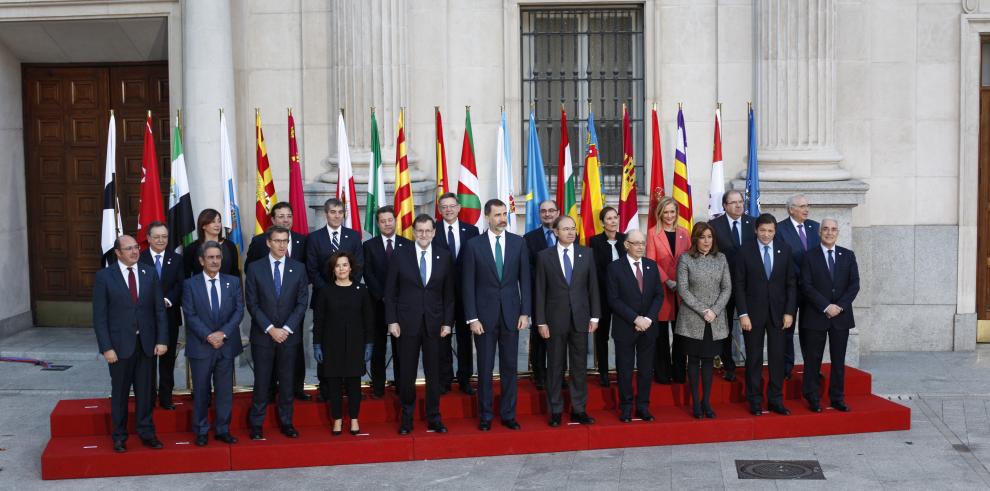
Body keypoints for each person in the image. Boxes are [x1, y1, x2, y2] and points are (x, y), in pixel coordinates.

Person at [91, 235, 168, 453]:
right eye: (128, 249)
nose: (135, 252)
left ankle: (146, 432)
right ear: (117, 252)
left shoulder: (149, 273)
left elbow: (158, 311)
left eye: (136, 247)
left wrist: (162, 340)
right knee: (120, 394)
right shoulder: (105, 277)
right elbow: (100, 317)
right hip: (119, 347)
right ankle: (119, 436)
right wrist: (106, 347)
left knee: (146, 393)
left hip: (146, 345)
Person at [462, 199, 532, 431]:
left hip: (512, 315)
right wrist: (472, 318)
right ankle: (485, 416)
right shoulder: (473, 246)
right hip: (483, 319)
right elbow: (467, 285)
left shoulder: (518, 243)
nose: (503, 218)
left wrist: (525, 312)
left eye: (505, 214)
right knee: (484, 368)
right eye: (498, 215)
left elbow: (526, 280)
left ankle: (509, 414)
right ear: (487, 217)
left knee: (510, 367)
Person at [386, 214, 455, 434]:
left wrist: (447, 322)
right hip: (406, 324)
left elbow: (449, 294)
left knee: (434, 373)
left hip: (435, 324)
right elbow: (390, 293)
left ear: (434, 232)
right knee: (406, 374)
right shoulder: (400, 255)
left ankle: (434, 417)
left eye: (428, 231)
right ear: (414, 232)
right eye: (420, 231)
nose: (424, 235)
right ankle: (407, 418)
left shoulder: (444, 256)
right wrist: (392, 321)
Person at [534, 215, 600, 426]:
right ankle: (555, 410)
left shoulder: (586, 254)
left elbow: (593, 288)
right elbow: (540, 291)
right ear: (555, 232)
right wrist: (541, 322)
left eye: (573, 228)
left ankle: (578, 409)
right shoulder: (544, 257)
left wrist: (595, 316)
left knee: (579, 366)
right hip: (554, 320)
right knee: (555, 366)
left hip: (580, 318)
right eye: (566, 229)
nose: (571, 232)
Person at [245, 226, 310, 440]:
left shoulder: (298, 268)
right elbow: (252, 304)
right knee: (262, 382)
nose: (282, 245)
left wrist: (287, 329)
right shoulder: (255, 269)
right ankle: (256, 424)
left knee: (287, 382)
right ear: (268, 242)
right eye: (278, 241)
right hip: (263, 336)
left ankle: (286, 422)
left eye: (285, 241)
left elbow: (301, 303)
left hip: (289, 336)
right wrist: (271, 329)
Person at [181, 241, 244, 446]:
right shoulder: (190, 284)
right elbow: (189, 315)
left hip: (225, 346)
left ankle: (222, 429)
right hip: (201, 346)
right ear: (201, 261)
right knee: (201, 391)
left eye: (218, 257)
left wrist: (222, 334)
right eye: (210, 257)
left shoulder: (233, 282)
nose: (215, 261)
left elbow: (239, 311)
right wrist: (209, 336)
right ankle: (201, 430)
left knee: (225, 391)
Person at [734, 213, 797, 416]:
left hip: (779, 314)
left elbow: (790, 284)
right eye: (763, 230)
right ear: (756, 230)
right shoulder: (744, 251)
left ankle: (775, 400)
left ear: (775, 231)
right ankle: (754, 400)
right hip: (752, 315)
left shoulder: (785, 250)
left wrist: (789, 312)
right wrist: (743, 313)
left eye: (770, 231)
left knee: (777, 358)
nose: (766, 235)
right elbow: (739, 285)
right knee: (754, 358)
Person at [305, 198, 364, 400]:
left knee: (348, 341)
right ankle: (326, 388)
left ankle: (349, 385)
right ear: (325, 213)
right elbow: (311, 269)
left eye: (340, 212)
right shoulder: (314, 238)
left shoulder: (354, 236)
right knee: (326, 342)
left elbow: (358, 266)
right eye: (333, 212)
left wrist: (345, 289)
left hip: (350, 300)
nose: (337, 215)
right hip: (324, 299)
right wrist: (331, 291)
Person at [800, 218, 859, 413]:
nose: (829, 232)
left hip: (840, 317)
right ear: (819, 232)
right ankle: (813, 397)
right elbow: (806, 286)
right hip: (816, 316)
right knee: (813, 360)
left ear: (838, 233)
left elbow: (854, 285)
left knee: (838, 361)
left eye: (833, 229)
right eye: (825, 229)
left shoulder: (848, 255)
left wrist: (839, 307)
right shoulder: (808, 256)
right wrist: (826, 306)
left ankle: (837, 398)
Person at [675, 223, 732, 419]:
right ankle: (695, 404)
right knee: (693, 361)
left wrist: (714, 311)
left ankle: (706, 402)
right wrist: (703, 310)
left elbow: (727, 288)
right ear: (695, 239)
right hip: (692, 319)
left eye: (709, 237)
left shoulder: (721, 258)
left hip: (714, 320)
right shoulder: (685, 259)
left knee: (708, 361)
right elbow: (683, 289)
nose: (706, 241)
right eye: (702, 237)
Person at [313, 251, 374, 435]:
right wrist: (317, 344)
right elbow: (319, 321)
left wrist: (369, 344)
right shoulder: (325, 291)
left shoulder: (361, 290)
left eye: (344, 265)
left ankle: (354, 420)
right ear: (333, 269)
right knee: (334, 386)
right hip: (331, 345)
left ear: (350, 267)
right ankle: (337, 420)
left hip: (356, 345)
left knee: (354, 385)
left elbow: (368, 320)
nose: (341, 269)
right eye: (338, 265)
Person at [607, 230, 663, 423]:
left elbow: (658, 295)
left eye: (643, 243)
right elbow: (613, 299)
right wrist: (635, 319)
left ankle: (643, 407)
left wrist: (647, 318)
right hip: (625, 327)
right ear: (626, 245)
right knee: (625, 370)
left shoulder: (651, 266)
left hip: (648, 327)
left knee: (646, 370)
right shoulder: (615, 268)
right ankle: (625, 407)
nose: (641, 246)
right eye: (636, 243)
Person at [432, 193, 480, 395]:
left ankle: (464, 379)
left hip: (465, 295)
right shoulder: (432, 231)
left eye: (452, 206)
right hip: (440, 295)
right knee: (442, 338)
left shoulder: (472, 230)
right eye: (444, 206)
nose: (449, 210)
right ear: (440, 210)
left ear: (459, 208)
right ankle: (444, 379)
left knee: (464, 338)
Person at [362, 205, 411, 398]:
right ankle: (378, 387)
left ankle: (401, 385)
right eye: (383, 221)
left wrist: (397, 299)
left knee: (401, 349)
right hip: (377, 304)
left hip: (402, 305)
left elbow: (409, 275)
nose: (387, 224)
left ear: (395, 220)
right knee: (378, 348)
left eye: (390, 220)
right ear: (378, 223)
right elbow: (368, 273)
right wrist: (383, 296)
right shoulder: (369, 246)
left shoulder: (407, 244)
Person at [707, 190, 755, 381]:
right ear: (725, 206)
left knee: (751, 326)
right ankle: (728, 365)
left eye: (740, 202)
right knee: (724, 326)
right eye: (733, 202)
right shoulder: (714, 226)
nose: (738, 205)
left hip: (749, 286)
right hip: (723, 286)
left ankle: (752, 363)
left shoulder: (753, 224)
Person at [138, 221, 184, 409]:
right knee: (147, 361)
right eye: (156, 237)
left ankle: (166, 398)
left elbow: (180, 285)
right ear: (148, 238)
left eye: (164, 236)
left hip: (169, 315)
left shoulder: (177, 259)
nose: (160, 240)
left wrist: (167, 300)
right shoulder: (139, 259)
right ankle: (148, 398)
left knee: (167, 361)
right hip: (146, 319)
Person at [646, 196, 690, 384]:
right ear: (660, 213)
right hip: (661, 290)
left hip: (682, 290)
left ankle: (679, 373)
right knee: (661, 334)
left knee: (681, 333)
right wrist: (668, 281)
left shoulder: (684, 233)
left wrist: (682, 282)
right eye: (666, 212)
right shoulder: (652, 233)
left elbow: (689, 260)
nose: (669, 215)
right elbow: (651, 262)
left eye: (672, 211)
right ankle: (663, 373)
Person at [776, 194, 820, 378]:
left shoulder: (815, 227)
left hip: (811, 289)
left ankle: (811, 368)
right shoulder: (779, 229)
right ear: (791, 209)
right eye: (802, 206)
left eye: (807, 205)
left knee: (810, 330)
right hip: (790, 288)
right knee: (787, 330)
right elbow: (780, 260)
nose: (806, 209)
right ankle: (786, 368)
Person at [522, 199, 559, 390]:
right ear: (539, 214)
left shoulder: (569, 235)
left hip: (562, 297)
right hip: (540, 295)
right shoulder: (529, 238)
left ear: (558, 212)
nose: (547, 214)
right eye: (543, 211)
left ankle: (559, 375)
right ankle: (539, 374)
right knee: (539, 337)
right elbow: (527, 269)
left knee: (560, 337)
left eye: (551, 210)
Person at [588, 206, 626, 387]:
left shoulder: (625, 240)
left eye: (615, 217)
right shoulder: (594, 241)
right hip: (603, 296)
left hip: (624, 297)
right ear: (602, 223)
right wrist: (612, 285)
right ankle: (603, 372)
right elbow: (596, 269)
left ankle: (621, 371)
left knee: (621, 336)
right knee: (602, 336)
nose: (613, 221)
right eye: (609, 218)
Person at [183, 209, 240, 278]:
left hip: (227, 288)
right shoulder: (192, 248)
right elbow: (186, 276)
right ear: (203, 226)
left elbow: (235, 273)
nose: (217, 225)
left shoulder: (230, 246)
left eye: (219, 221)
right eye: (213, 222)